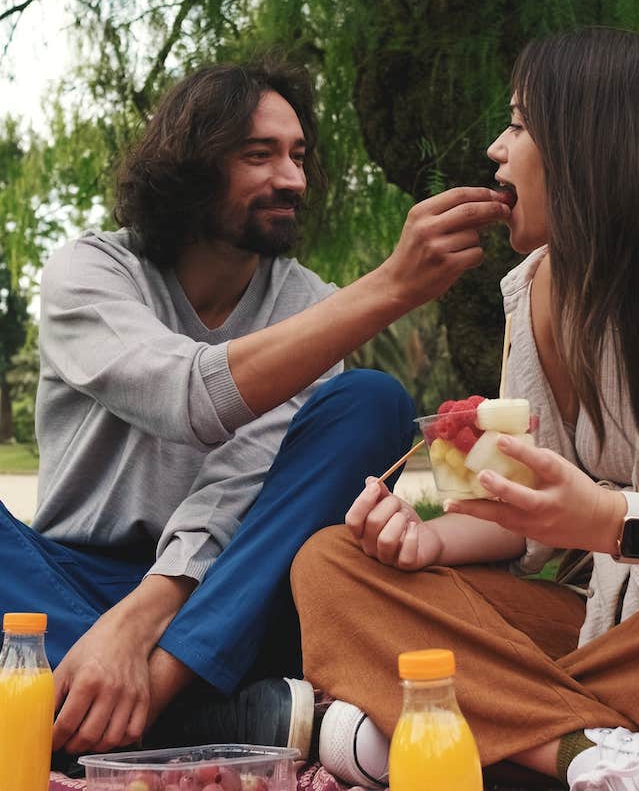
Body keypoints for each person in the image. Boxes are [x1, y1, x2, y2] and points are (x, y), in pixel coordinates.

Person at [290, 27, 639, 791]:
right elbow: (509, 496)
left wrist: (615, 521)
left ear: (591, 145)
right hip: (611, 639)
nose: (496, 148)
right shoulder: (537, 290)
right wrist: (418, 530)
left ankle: (465, 733)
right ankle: (598, 763)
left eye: (518, 125)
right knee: (333, 562)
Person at [0, 56, 512, 762]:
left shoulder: (309, 306)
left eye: (299, 156)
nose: (293, 179)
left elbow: (237, 483)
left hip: (235, 594)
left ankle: (135, 704)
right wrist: (391, 287)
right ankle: (207, 719)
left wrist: (148, 625)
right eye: (259, 155)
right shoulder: (90, 275)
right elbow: (188, 398)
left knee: (371, 401)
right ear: (190, 166)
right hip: (73, 585)